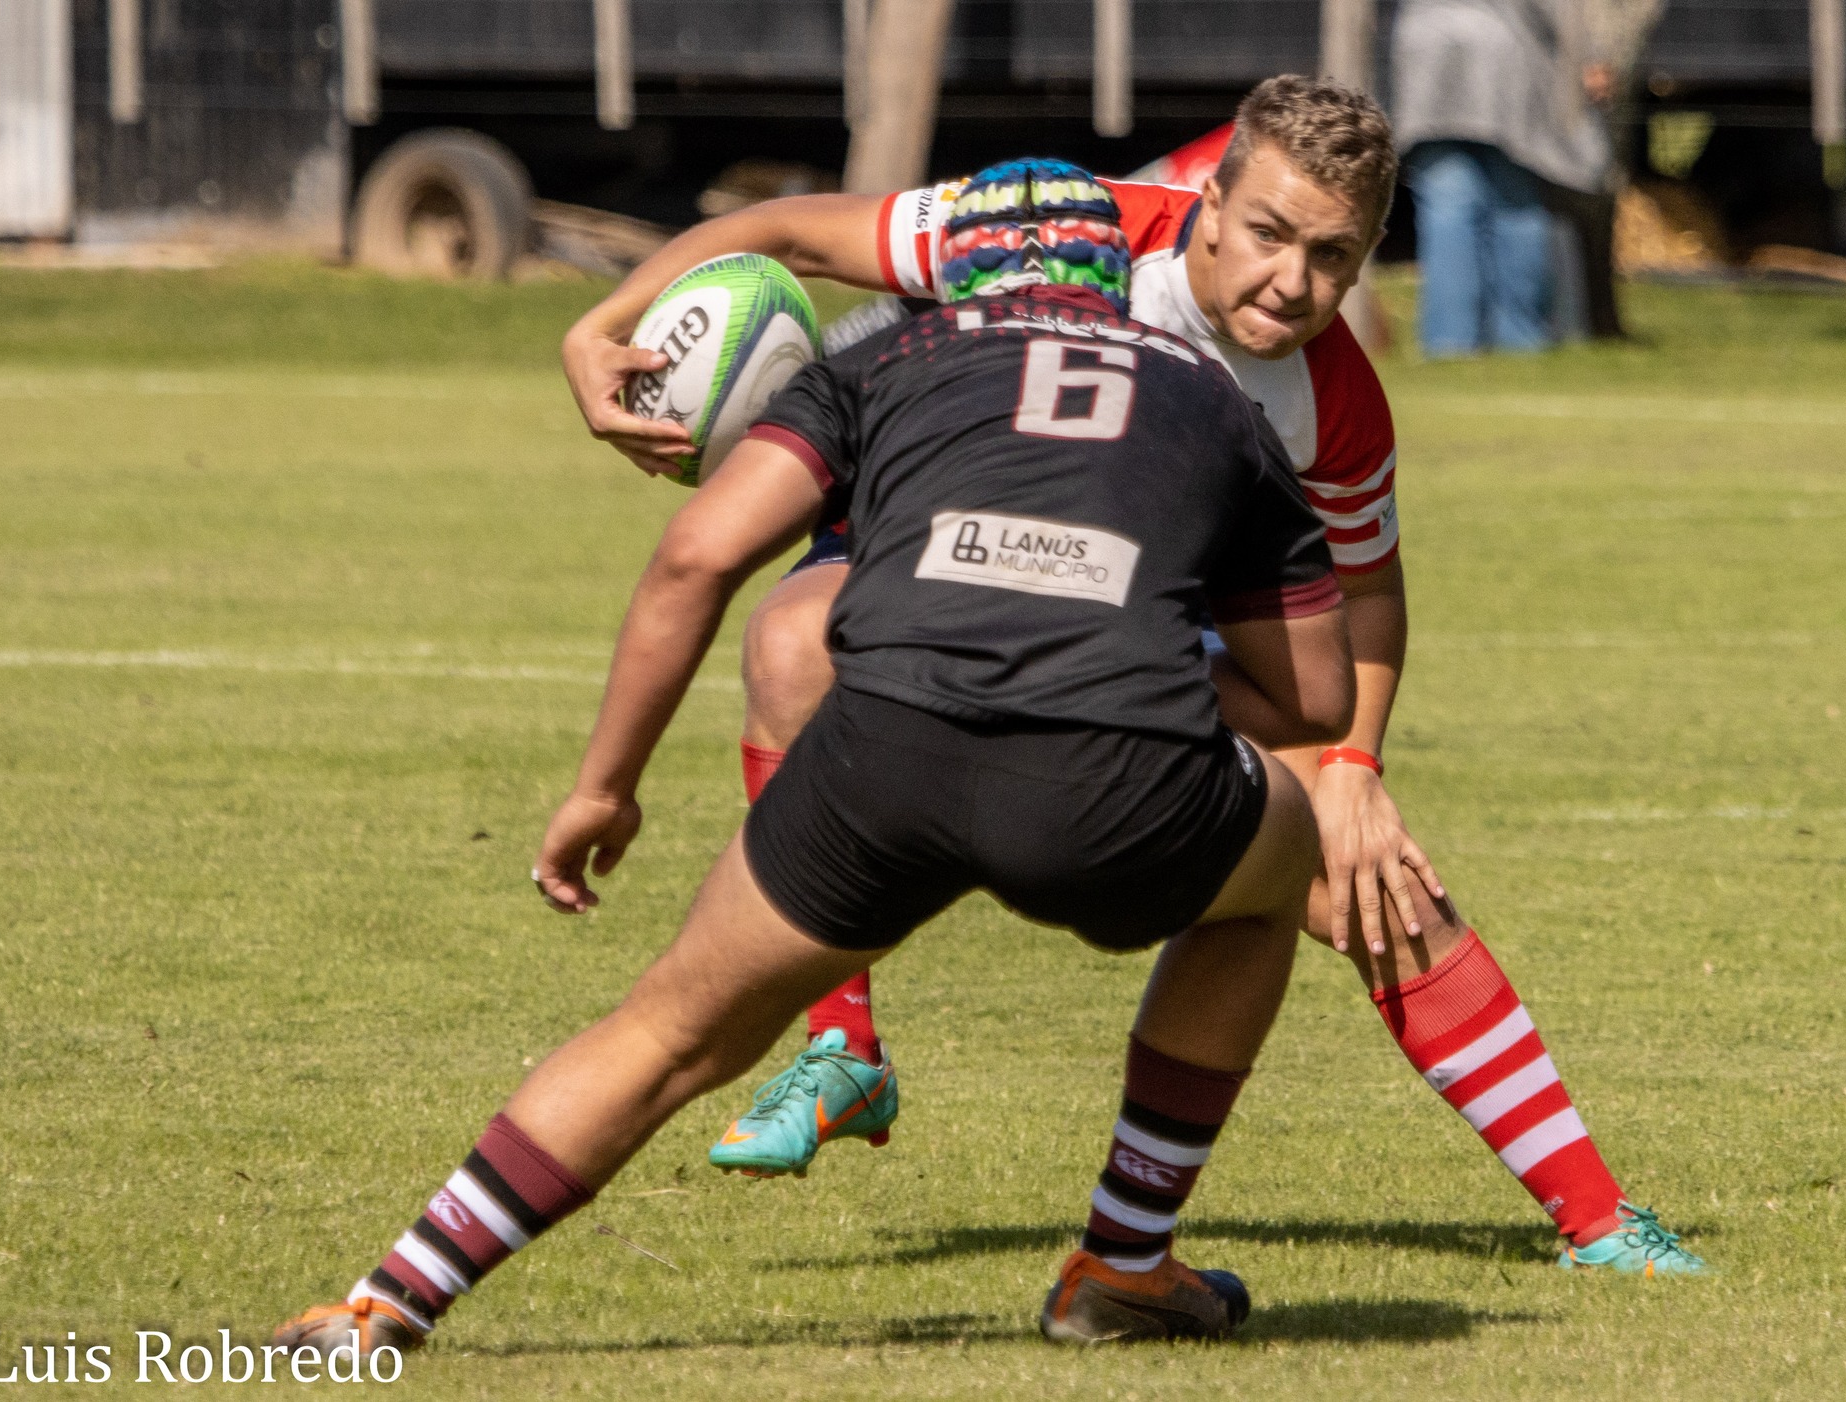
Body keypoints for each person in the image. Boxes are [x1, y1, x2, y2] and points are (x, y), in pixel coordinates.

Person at [561, 77, 1706, 1276]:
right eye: (1267, 235)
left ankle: (1596, 1217)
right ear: (1204, 202)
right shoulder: (1067, 232)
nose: (1290, 283)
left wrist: (1356, 766)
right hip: (951, 550)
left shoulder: (1335, 402)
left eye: (1332, 260)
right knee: (793, 640)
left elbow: (1367, 596)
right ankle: (842, 1047)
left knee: (1360, 866)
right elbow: (784, 231)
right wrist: (599, 327)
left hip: (1142, 613)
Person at [273, 163, 1361, 1357]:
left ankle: (386, 1300)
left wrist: (603, 787)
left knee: (670, 1030)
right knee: (1275, 864)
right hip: (1116, 786)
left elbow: (697, 559)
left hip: (884, 746)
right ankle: (1123, 1260)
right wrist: (1125, 638)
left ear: (944, 275)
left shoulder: (878, 362)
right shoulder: (1221, 406)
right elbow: (1314, 694)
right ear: (1120, 276)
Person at [1390, 0, 1615, 355]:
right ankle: (1520, 342)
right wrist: (1590, 55)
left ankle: (1450, 346)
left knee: (1447, 208)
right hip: (1504, 53)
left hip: (1425, 49)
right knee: (1516, 205)